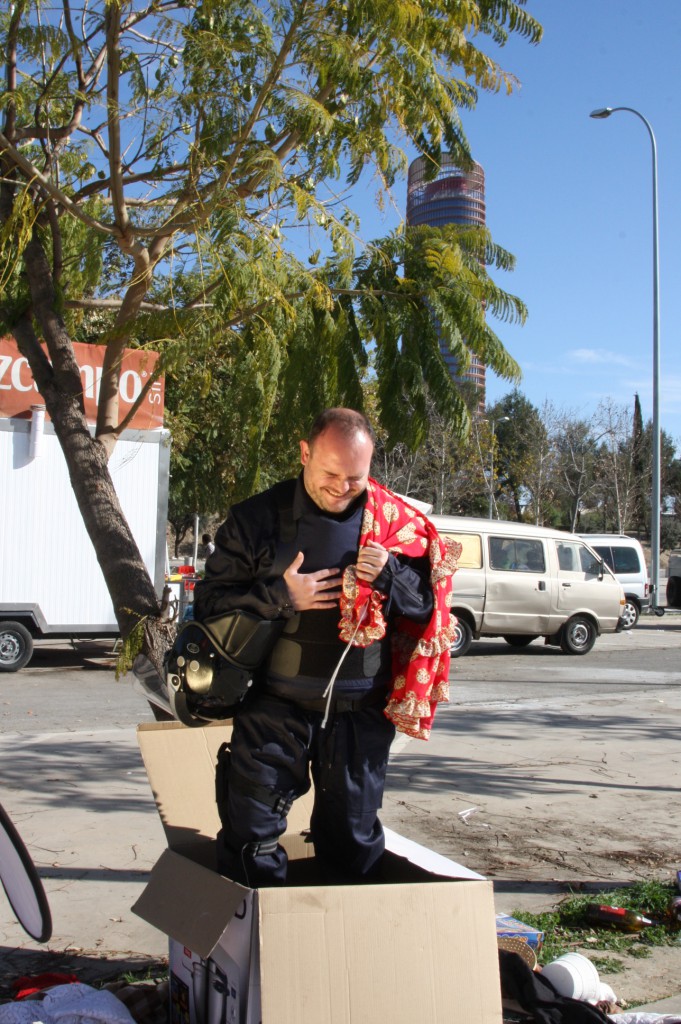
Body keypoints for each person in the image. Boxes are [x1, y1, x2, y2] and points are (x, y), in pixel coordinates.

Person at [194, 408, 457, 887]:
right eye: (329, 473)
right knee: (250, 840)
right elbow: (209, 605)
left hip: (361, 716)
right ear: (304, 453)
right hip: (276, 707)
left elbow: (430, 609)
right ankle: (255, 948)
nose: (340, 487)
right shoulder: (256, 520)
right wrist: (278, 597)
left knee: (352, 843)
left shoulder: (396, 525)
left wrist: (391, 575)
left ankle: (337, 949)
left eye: (354, 478)